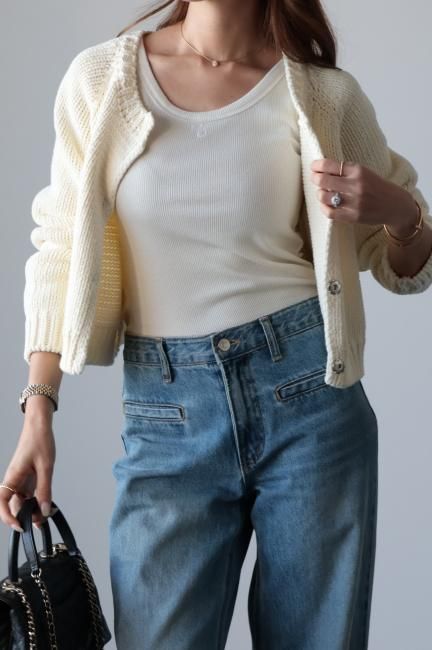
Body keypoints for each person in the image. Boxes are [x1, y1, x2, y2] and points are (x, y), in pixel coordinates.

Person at [2, 1, 432, 648]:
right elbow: (60, 246)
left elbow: (401, 265)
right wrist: (39, 407)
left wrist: (402, 213)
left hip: (309, 397)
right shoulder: (100, 80)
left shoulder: (322, 95)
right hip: (167, 411)